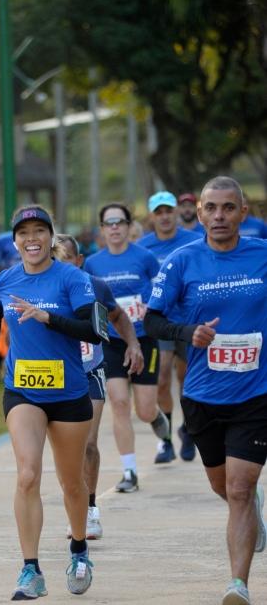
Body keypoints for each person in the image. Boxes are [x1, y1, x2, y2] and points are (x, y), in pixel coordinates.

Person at [144, 176, 267, 605]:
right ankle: (251, 514)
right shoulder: (181, 262)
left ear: (243, 211)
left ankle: (239, 586)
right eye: (211, 209)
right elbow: (153, 320)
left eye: (228, 208)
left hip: (257, 391)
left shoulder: (262, 255)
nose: (219, 217)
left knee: (239, 486)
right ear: (198, 215)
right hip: (202, 393)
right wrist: (186, 334)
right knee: (224, 487)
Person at [0, 204, 107, 601]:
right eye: (23, 233)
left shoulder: (72, 278)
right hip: (23, 390)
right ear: (14, 241)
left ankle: (79, 551)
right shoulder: (5, 279)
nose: (31, 239)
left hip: (69, 393)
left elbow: (95, 330)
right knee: (28, 475)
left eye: (39, 231)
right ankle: (30, 570)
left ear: (51, 237)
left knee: (72, 484)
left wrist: (48, 318)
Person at [57, 233, 143, 539]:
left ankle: (90, 510)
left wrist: (133, 344)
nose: (59, 265)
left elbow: (119, 317)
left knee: (87, 443)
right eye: (55, 259)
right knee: (65, 451)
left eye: (65, 258)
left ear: (78, 261)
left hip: (90, 370)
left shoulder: (95, 285)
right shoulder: (40, 286)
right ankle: (76, 506)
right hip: (56, 374)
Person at [84, 203, 170, 493]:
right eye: (109, 223)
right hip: (111, 341)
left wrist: (151, 307)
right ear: (102, 229)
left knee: (143, 409)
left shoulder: (145, 258)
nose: (115, 227)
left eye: (120, 222)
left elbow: (160, 292)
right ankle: (129, 471)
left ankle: (155, 417)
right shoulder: (93, 264)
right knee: (118, 402)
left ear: (129, 226)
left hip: (143, 338)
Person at [138, 191, 202, 463]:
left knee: (186, 379)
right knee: (162, 378)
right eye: (159, 212)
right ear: (152, 217)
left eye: (168, 211)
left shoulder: (194, 241)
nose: (164, 217)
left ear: (176, 212)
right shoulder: (143, 247)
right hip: (160, 320)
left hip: (188, 320)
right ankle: (165, 441)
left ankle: (188, 430)